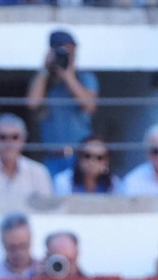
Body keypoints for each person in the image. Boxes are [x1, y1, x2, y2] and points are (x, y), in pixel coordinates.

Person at [24, 28, 97, 176]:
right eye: (63, 51)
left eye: (72, 50)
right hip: (52, 157)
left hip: (81, 157)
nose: (70, 55)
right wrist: (45, 69)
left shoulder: (85, 78)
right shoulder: (44, 80)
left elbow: (89, 106)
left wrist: (67, 75)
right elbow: (32, 103)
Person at [0, 112, 53, 196]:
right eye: (2, 137)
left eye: (15, 137)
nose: (9, 143)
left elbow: (46, 209)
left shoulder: (38, 173)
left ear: (23, 140)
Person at [0, 210, 35, 279]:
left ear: (30, 239)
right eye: (12, 248)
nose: (19, 253)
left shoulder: (46, 272)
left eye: (23, 246)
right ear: (3, 243)